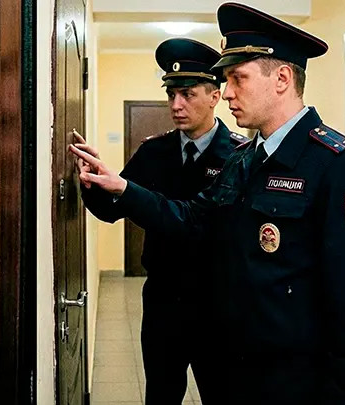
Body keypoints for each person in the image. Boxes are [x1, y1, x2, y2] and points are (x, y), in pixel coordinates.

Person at [70, 3, 345, 404]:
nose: (230, 93)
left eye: (238, 78)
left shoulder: (339, 166)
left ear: (282, 78)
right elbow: (192, 219)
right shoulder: (245, 159)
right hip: (238, 369)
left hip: (296, 384)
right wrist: (121, 187)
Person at [78, 38, 244, 404]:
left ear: (214, 96)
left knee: (222, 394)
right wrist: (91, 181)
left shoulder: (238, 156)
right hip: (164, 300)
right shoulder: (154, 151)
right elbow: (111, 209)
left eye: (187, 94)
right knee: (161, 394)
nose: (176, 105)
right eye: (171, 95)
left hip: (217, 303)